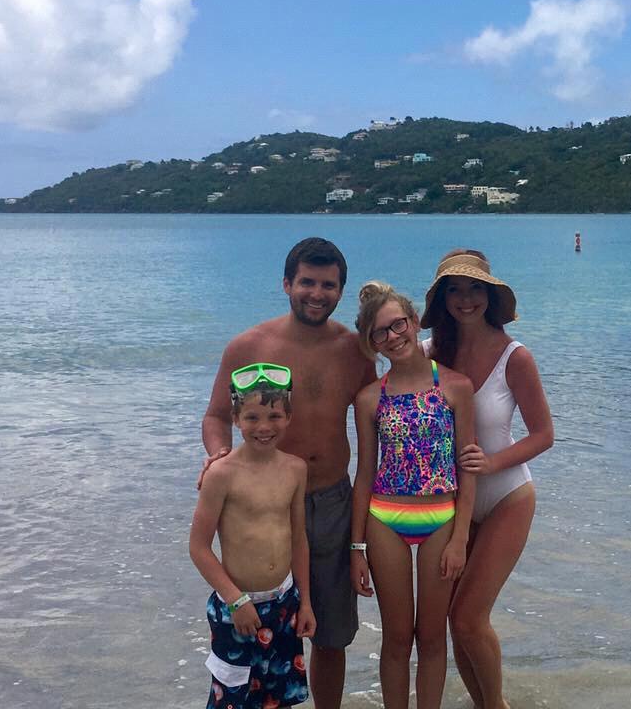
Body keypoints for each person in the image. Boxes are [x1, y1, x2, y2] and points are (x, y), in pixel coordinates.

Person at [199, 237, 375, 709]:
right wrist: (218, 456)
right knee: (254, 628)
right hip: (263, 505)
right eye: (307, 283)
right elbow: (217, 416)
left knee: (331, 632)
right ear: (286, 284)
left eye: (329, 285)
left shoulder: (355, 350)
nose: (317, 293)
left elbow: (387, 407)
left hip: (331, 501)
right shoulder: (249, 345)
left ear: (341, 290)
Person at [422, 250, 554, 709]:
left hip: (506, 496)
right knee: (453, 621)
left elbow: (544, 435)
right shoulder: (428, 354)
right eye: (454, 290)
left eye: (475, 288)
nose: (465, 299)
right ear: (441, 300)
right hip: (452, 503)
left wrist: (491, 465)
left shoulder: (515, 356)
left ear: (490, 295)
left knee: (468, 619)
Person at [350, 282, 475, 709]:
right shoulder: (369, 398)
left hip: (442, 518)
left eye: (397, 325)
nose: (392, 337)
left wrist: (460, 538)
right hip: (385, 520)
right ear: (371, 343)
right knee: (398, 637)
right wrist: (356, 548)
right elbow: (364, 474)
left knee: (432, 635)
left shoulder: (456, 387)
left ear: (414, 321)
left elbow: (466, 467)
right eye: (379, 333)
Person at [190, 364, 316, 708]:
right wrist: (235, 599)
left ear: (288, 416)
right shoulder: (221, 474)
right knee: (231, 698)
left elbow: (298, 539)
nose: (263, 427)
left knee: (279, 697)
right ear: (235, 418)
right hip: (237, 608)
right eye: (252, 417)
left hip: (285, 603)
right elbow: (198, 548)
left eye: (274, 416)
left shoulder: (295, 469)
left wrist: (304, 602)